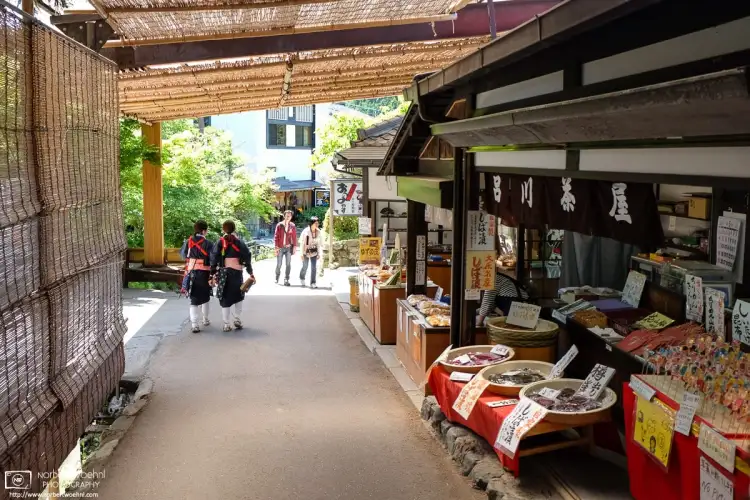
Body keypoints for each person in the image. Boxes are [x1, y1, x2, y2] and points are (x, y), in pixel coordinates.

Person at [211, 220, 254, 332]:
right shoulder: (239, 243)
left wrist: (211, 274)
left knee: (225, 298)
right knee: (238, 295)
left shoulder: (219, 242)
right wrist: (250, 272)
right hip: (236, 273)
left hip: (223, 273)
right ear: (234, 229)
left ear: (223, 229)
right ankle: (237, 319)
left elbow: (214, 258)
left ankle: (226, 324)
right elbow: (247, 257)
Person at [179, 220, 214, 333]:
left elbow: (184, 255)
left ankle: (194, 324)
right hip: (205, 273)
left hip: (191, 273)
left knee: (194, 299)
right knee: (205, 297)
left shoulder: (188, 242)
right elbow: (213, 259)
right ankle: (205, 319)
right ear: (204, 231)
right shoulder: (209, 243)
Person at [274, 210, 297, 286]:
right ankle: (277, 276)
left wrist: (294, 247)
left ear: (291, 217)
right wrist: (276, 247)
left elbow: (294, 237)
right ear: (284, 216)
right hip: (280, 248)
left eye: (289, 216)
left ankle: (286, 279)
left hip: (288, 248)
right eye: (287, 216)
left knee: (288, 264)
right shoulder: (279, 225)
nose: (288, 217)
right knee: (279, 264)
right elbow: (276, 237)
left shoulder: (292, 226)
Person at [299, 216, 322, 288]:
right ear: (311, 223)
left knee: (314, 267)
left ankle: (313, 282)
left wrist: (319, 253)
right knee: (305, 266)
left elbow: (319, 243)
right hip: (305, 251)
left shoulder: (318, 232)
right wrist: (301, 254)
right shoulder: (306, 231)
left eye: (318, 223)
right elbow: (302, 243)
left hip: (314, 251)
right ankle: (302, 277)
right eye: (316, 223)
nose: (317, 224)